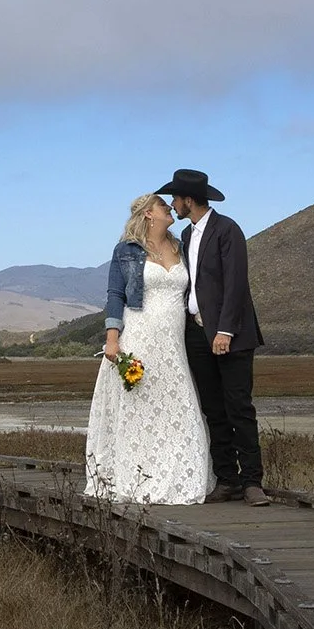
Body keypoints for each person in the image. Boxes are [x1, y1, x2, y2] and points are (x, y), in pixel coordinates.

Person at [83, 193, 214, 504]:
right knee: (139, 405)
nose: (169, 207)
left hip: (173, 341)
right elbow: (115, 294)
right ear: (147, 215)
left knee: (179, 406)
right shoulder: (126, 251)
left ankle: (181, 473)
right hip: (139, 334)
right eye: (162, 205)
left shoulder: (180, 245)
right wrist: (112, 339)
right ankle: (136, 473)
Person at [161, 168, 269, 505]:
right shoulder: (188, 236)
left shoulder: (227, 230)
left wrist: (224, 330)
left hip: (230, 334)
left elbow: (236, 283)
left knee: (239, 406)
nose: (173, 204)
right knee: (213, 408)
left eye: (175, 199)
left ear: (188, 200)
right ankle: (227, 480)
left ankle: (252, 482)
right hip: (196, 333)